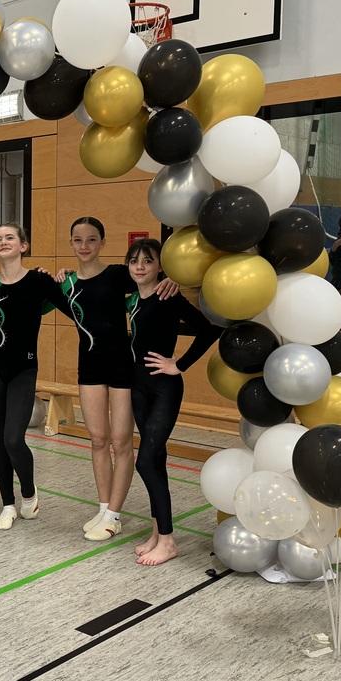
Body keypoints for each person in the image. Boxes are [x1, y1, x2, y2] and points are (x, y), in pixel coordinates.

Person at [56, 217, 176, 542]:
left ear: (102, 243)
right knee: (97, 440)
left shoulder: (117, 274)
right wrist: (48, 275)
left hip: (123, 367)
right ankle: (103, 506)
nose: (85, 246)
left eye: (92, 240)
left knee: (121, 442)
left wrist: (172, 280)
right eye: (78, 240)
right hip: (89, 367)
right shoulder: (66, 284)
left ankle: (114, 515)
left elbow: (150, 274)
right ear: (71, 243)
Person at [124, 239, 219, 566]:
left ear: (159, 267)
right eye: (134, 261)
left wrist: (178, 364)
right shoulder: (133, 299)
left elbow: (208, 330)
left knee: (145, 461)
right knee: (157, 460)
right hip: (138, 387)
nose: (139, 267)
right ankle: (157, 533)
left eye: (147, 261)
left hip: (164, 387)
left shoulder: (168, 296)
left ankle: (168, 540)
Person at [0, 223, 65, 530]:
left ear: (24, 245)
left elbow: (59, 303)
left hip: (24, 368)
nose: (3, 242)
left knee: (13, 438)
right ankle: (7, 503)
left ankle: (29, 492)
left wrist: (61, 280)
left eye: (10, 237)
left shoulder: (38, 280)